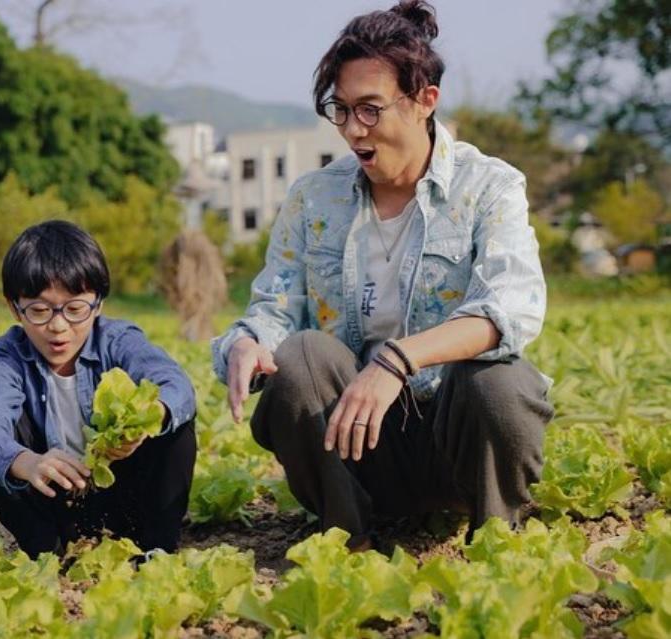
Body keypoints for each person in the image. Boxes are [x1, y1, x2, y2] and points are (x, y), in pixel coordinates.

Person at [212, 0, 553, 549]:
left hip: (454, 443)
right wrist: (249, 343)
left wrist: (398, 359)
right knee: (300, 357)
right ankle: (347, 538)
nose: (352, 129)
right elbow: (275, 307)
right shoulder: (313, 198)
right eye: (340, 109)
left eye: (370, 109)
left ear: (424, 101)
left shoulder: (488, 187)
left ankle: (495, 536)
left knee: (498, 381)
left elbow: (508, 309)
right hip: (357, 446)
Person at [0, 220, 197, 559]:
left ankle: (155, 547)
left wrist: (146, 422)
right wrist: (27, 463)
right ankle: (49, 554)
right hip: (55, 504)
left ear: (98, 303)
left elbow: (176, 385)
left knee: (175, 424)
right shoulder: (6, 358)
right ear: (14, 308)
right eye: (40, 311)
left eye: (74, 309)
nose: (58, 327)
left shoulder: (118, 340)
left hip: (123, 497)